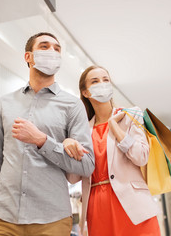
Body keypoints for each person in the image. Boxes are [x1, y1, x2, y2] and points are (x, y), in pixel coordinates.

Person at [0, 32, 95, 236]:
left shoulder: (72, 105)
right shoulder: (6, 103)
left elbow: (87, 165)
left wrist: (43, 141)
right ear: (28, 56)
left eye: (57, 48)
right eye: (44, 46)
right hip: (3, 219)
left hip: (52, 219)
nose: (52, 51)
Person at [65, 65, 160, 236]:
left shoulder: (131, 115)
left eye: (105, 80)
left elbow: (141, 157)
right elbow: (73, 178)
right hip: (97, 207)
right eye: (95, 81)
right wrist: (69, 147)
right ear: (85, 92)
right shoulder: (82, 130)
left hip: (133, 204)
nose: (102, 84)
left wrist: (115, 127)